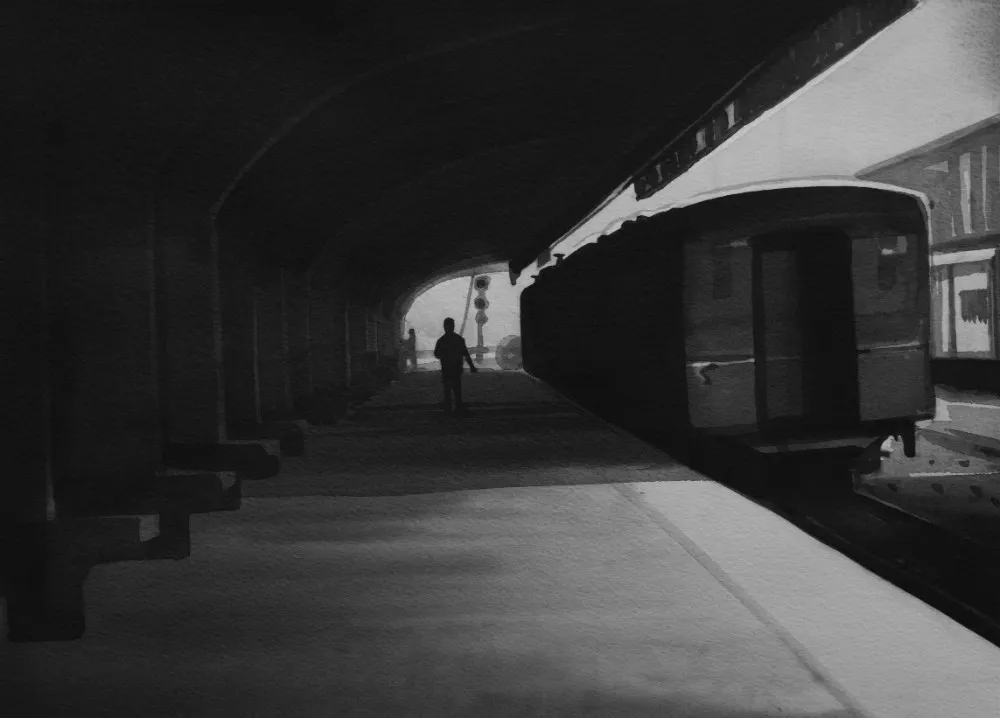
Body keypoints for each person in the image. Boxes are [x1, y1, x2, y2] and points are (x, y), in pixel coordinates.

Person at [433, 317, 477, 414]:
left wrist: (444, 356)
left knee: (448, 390)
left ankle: (448, 409)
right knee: (457, 390)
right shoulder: (459, 339)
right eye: (451, 326)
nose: (451, 327)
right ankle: (458, 408)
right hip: (456, 369)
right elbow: (466, 354)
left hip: (447, 369)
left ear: (444, 327)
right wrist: (472, 366)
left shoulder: (441, 340)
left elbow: (436, 354)